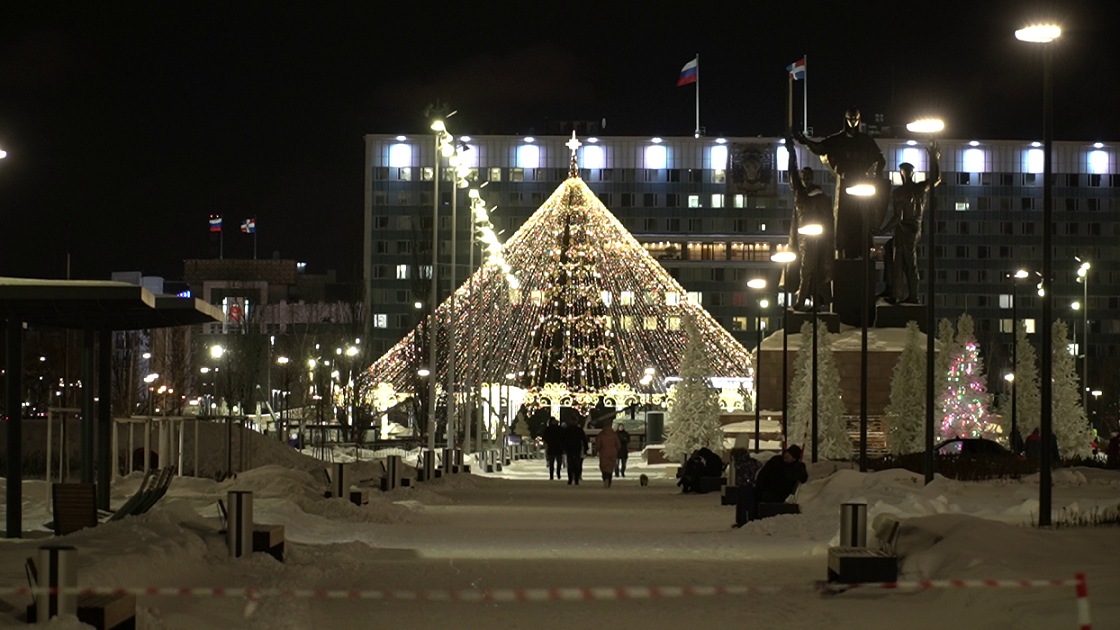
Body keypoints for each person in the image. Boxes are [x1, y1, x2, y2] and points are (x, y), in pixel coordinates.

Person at [794, 108, 887, 259]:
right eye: (850, 119)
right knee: (844, 219)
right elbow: (820, 148)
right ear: (845, 120)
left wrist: (875, 173)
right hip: (846, 185)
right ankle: (844, 251)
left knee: (862, 218)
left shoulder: (865, 140)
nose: (853, 122)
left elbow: (880, 158)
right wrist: (806, 141)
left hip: (862, 186)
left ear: (859, 119)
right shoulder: (838, 140)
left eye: (856, 119)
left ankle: (863, 250)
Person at [880, 144, 941, 304]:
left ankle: (903, 295)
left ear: (902, 174)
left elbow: (897, 217)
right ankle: (897, 291)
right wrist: (934, 159)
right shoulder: (920, 188)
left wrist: (881, 230)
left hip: (905, 230)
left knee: (903, 262)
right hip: (915, 230)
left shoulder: (899, 192)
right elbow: (936, 178)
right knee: (894, 253)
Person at [787, 138, 835, 311]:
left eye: (808, 176)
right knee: (806, 269)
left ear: (813, 177)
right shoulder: (800, 195)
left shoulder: (820, 197)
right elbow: (791, 175)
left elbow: (828, 221)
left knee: (808, 269)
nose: (805, 179)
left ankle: (803, 301)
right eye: (803, 176)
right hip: (801, 239)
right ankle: (814, 300)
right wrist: (791, 153)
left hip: (816, 240)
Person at [729, 444, 762, 528]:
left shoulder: (741, 463)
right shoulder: (751, 461)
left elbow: (744, 473)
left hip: (745, 485)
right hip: (750, 485)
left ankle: (742, 521)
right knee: (747, 504)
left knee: (742, 504)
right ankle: (746, 520)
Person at [561, 419, 589, 485]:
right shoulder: (578, 430)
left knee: (571, 464)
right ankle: (575, 479)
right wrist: (586, 448)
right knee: (576, 464)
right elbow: (584, 439)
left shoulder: (567, 430)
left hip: (571, 449)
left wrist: (564, 448)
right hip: (576, 448)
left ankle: (571, 479)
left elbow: (563, 440)